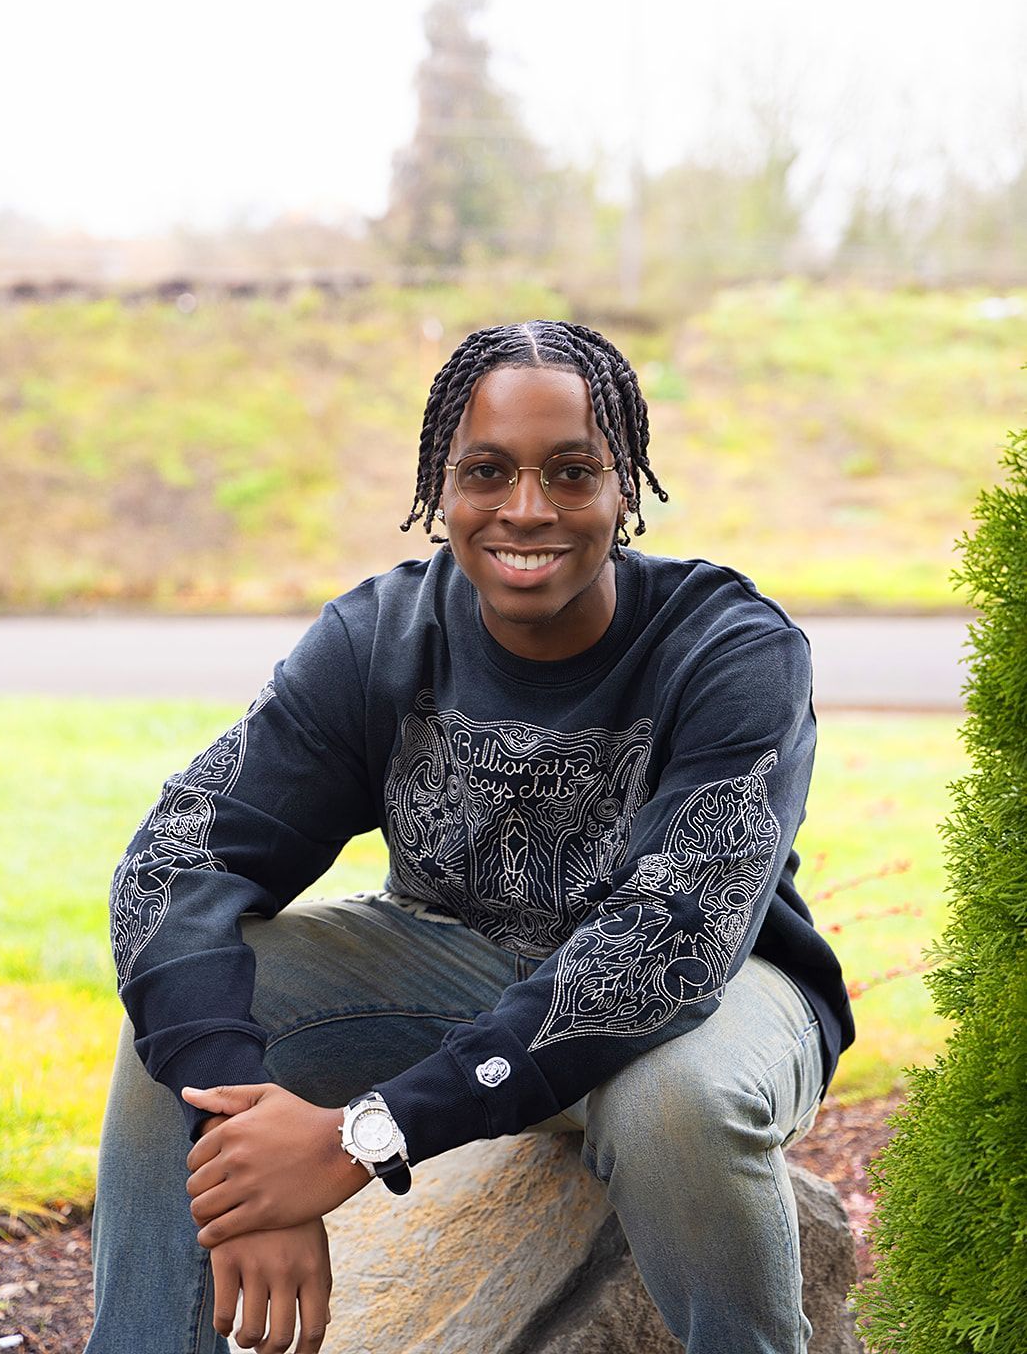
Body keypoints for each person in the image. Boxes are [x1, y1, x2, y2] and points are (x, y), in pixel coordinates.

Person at [86, 319, 853, 1354]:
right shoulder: (375, 640)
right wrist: (244, 1150)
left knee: (671, 1107)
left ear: (624, 488)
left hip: (711, 992)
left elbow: (660, 950)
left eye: (571, 472)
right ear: (437, 489)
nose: (525, 509)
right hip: (448, 964)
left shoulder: (728, 647)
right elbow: (176, 864)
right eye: (486, 471)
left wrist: (357, 1139)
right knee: (177, 1020)